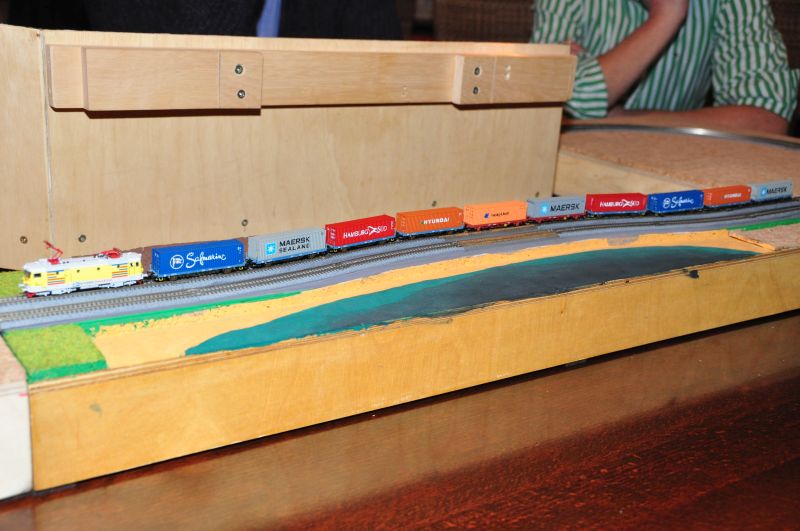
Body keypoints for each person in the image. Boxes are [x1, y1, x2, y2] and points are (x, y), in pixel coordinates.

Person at [531, 0, 799, 134]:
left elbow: (767, 118)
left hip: (680, 169)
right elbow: (544, 104)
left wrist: (620, 120)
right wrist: (666, 16)